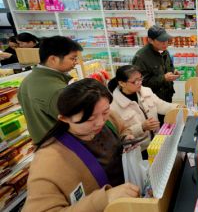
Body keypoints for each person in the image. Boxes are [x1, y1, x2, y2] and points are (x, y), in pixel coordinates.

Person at [23, 78, 140, 212]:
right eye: (90, 119)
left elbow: (123, 128)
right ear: (64, 119)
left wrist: (126, 137)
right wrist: (104, 199)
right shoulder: (48, 161)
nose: (100, 122)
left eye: (105, 112)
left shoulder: (107, 117)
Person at [18, 36, 83, 144]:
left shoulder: (27, 80)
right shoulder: (57, 90)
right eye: (72, 58)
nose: (76, 62)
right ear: (53, 59)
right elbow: (80, 124)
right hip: (62, 147)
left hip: (43, 144)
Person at [108, 65, 180, 157]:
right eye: (135, 81)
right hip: (139, 150)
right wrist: (142, 127)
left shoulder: (146, 91)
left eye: (140, 79)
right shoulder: (113, 106)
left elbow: (161, 105)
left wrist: (178, 107)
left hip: (156, 142)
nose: (139, 83)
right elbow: (120, 134)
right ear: (122, 83)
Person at [132, 25, 180, 122]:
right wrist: (163, 78)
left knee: (168, 121)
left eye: (166, 40)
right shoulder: (141, 57)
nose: (165, 43)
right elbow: (141, 83)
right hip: (153, 100)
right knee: (159, 126)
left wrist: (173, 72)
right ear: (150, 40)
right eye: (161, 41)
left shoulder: (164, 50)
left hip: (167, 95)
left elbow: (169, 65)